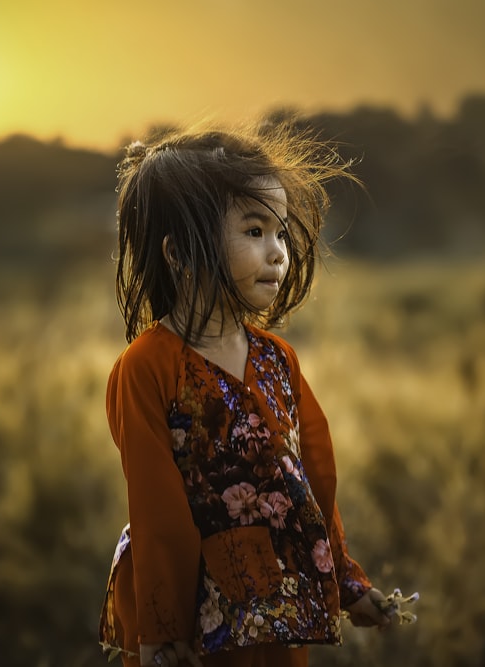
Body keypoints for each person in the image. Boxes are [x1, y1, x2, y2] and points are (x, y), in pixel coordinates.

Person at [98, 122, 390, 667]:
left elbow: (309, 482)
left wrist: (348, 583)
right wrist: (162, 630)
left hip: (276, 603)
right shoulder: (147, 367)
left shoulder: (278, 358)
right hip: (195, 621)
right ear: (180, 253)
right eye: (254, 232)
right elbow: (156, 506)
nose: (278, 252)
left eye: (280, 233)